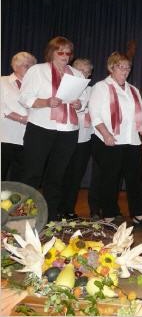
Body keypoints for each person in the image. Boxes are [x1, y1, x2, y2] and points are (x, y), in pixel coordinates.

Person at [19, 36, 87, 221]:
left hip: (68, 131)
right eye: (61, 52)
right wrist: (46, 102)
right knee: (32, 173)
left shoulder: (77, 74)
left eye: (68, 52)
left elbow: (84, 101)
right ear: (51, 52)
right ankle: (23, 215)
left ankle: (49, 216)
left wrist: (78, 104)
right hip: (41, 128)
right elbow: (24, 97)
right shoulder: (38, 70)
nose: (65, 55)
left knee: (57, 176)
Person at [89, 52, 142, 228]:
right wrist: (106, 134)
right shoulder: (101, 87)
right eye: (120, 66)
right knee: (110, 178)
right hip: (110, 140)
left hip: (132, 140)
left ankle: (138, 214)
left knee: (134, 179)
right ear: (111, 67)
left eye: (127, 67)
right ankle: (108, 214)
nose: (125, 70)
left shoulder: (134, 90)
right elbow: (95, 114)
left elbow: (141, 116)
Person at [58, 58, 94, 219]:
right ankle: (56, 208)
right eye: (80, 70)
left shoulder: (92, 90)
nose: (83, 74)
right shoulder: (63, 87)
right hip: (64, 136)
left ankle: (69, 209)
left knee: (76, 176)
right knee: (60, 173)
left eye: (87, 71)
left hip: (84, 138)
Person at [1, 52, 37, 181]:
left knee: (19, 177)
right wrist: (22, 119)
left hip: (26, 138)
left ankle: (16, 202)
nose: (30, 69)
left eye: (32, 66)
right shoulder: (3, 81)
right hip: (5, 136)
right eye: (26, 66)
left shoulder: (34, 86)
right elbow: (2, 107)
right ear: (15, 66)